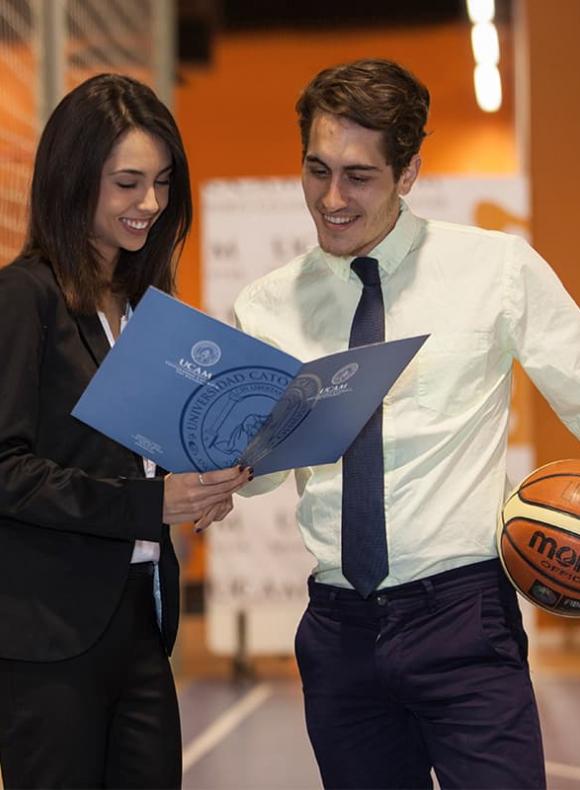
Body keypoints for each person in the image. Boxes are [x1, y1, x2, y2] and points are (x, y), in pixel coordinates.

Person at [234, 59, 580, 789]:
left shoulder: (495, 268)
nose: (332, 198)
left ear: (409, 172)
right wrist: (210, 456)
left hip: (465, 615)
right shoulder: (265, 305)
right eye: (317, 170)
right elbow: (256, 477)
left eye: (358, 176)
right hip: (337, 630)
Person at [0, 73, 250, 789]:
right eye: (128, 184)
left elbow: (141, 458)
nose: (151, 204)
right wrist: (150, 505)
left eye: (163, 183)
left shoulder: (148, 307)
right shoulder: (23, 298)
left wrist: (203, 481)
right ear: (74, 180)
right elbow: (6, 468)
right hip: (49, 638)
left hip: (142, 620)